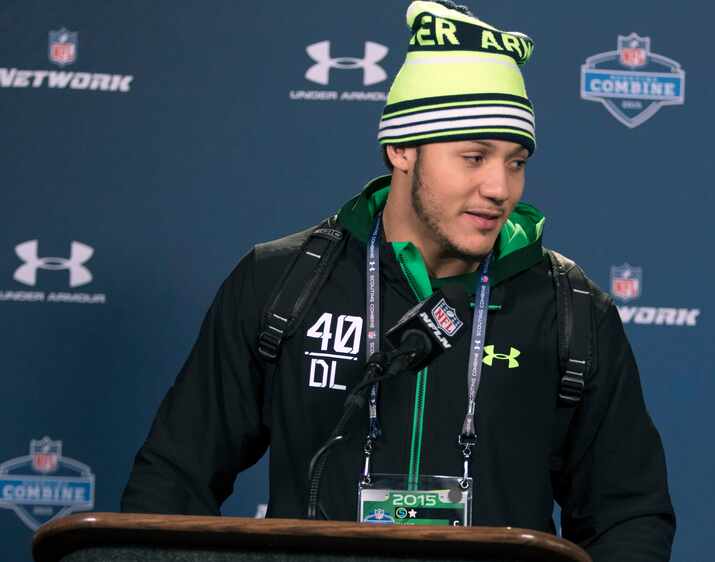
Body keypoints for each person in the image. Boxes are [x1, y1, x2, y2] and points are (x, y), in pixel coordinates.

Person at [122, 1, 676, 560]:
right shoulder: (282, 282)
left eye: (515, 161)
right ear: (402, 148)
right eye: (474, 156)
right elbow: (173, 479)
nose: (499, 188)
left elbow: (627, 515)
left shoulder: (572, 310)